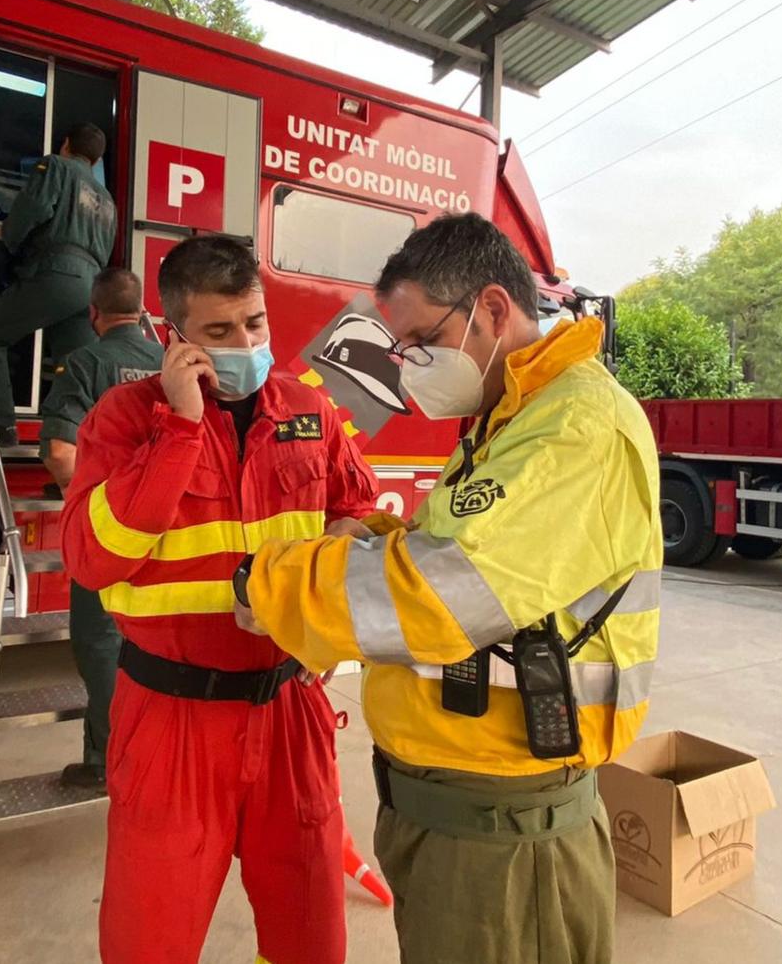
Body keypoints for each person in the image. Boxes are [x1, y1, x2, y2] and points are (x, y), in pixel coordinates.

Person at [238, 213, 661, 963]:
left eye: (423, 342)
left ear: (493, 310)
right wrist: (371, 535)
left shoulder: (577, 427)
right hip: (462, 815)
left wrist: (270, 582)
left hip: (505, 839)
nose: (408, 366)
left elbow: (441, 594)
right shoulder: (513, 412)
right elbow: (464, 551)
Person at [61, 235, 376, 964]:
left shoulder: (309, 410)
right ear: (173, 336)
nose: (246, 343)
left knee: (311, 936)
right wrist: (178, 426)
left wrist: (330, 590)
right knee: (151, 940)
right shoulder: (123, 419)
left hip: (291, 710)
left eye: (256, 323)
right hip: (171, 721)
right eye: (219, 331)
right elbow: (90, 554)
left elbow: (354, 514)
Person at [38, 267, 164, 793]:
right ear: (142, 313)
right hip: (170, 532)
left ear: (93, 314)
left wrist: (88, 506)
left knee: (100, 645)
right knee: (154, 648)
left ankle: (111, 762)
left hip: (112, 535)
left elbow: (61, 454)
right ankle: (153, 754)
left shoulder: (86, 363)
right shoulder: (167, 364)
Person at [0, 121, 116, 444]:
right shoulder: (107, 199)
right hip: (92, 287)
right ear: (95, 161)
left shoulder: (54, 166)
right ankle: (75, 446)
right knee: (76, 367)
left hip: (56, 272)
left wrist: (8, 234)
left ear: (65, 145)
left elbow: (35, 207)